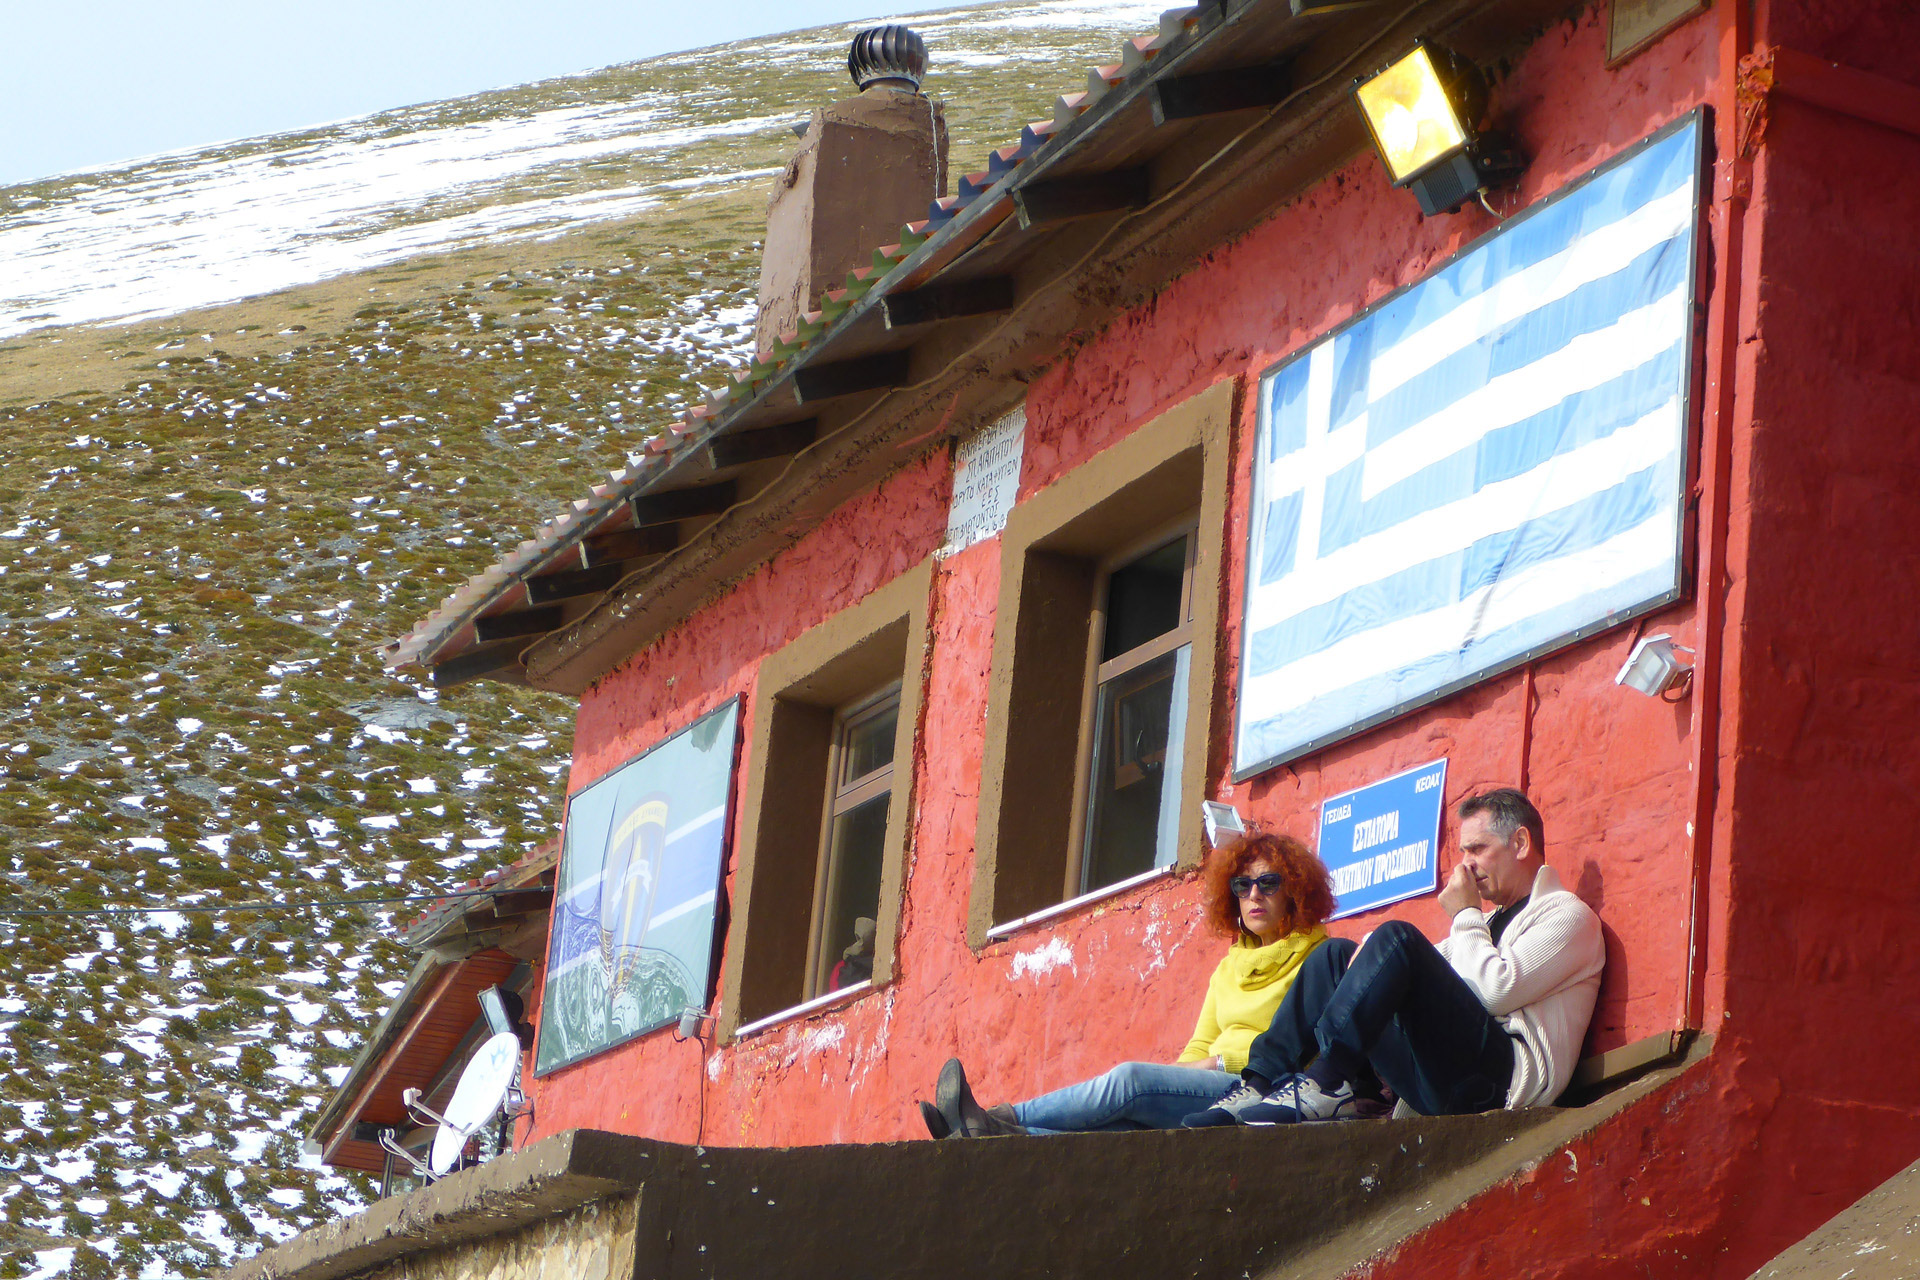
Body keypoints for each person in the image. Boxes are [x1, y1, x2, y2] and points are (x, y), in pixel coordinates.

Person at [1185, 788, 1604, 1127]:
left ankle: (1327, 1080)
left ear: (1521, 842)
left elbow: (1494, 992)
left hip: (1500, 1085)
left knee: (1398, 938)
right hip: (1442, 1080)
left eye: (1477, 849)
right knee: (1336, 956)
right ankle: (1265, 1083)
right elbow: (1419, 971)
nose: (1466, 864)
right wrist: (1366, 961)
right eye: (1462, 852)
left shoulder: (1567, 914)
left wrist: (1464, 913)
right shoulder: (1484, 925)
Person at [921, 831, 1336, 1138]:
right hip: (1213, 1090)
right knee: (1116, 1124)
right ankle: (997, 1137)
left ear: (1295, 892)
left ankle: (999, 1118)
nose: (1254, 895)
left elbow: (1303, 1045)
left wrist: (1216, 1064)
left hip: (1262, 1090)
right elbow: (1197, 1048)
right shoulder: (1229, 968)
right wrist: (1173, 1081)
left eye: (1268, 883)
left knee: (1132, 1079)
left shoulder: (1319, 958)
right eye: (1242, 885)